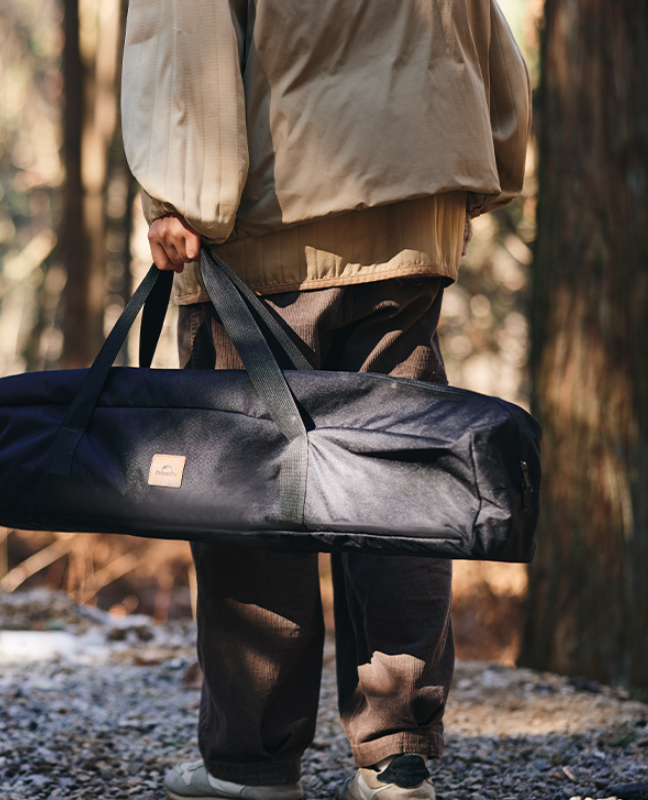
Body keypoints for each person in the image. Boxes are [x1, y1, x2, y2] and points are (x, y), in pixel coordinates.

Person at [121, 1, 531, 798]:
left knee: (245, 490)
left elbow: (183, 27)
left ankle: (252, 765)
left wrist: (175, 193)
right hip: (416, 199)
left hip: (267, 216)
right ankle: (397, 756)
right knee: (400, 486)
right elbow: (483, 28)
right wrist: (491, 151)